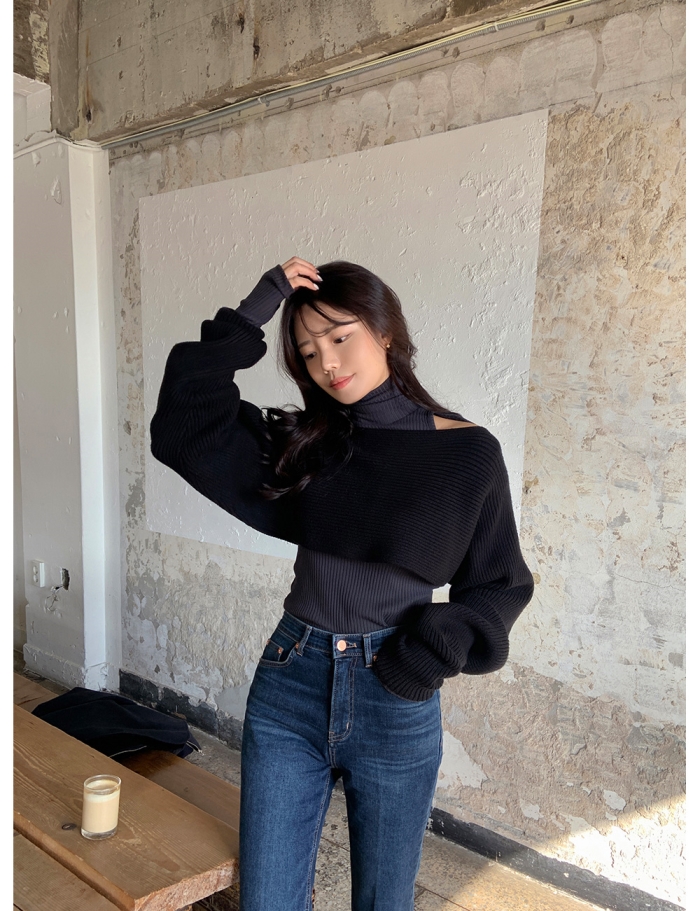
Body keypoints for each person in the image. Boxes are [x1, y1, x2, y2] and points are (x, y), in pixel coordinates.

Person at [150, 255, 534, 911]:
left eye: (339, 335)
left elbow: (499, 583)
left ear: (385, 331)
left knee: (384, 900)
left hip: (394, 690)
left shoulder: (467, 453)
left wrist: (424, 658)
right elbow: (186, 421)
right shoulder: (310, 445)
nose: (327, 361)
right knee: (267, 899)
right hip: (290, 682)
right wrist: (259, 304)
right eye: (308, 351)